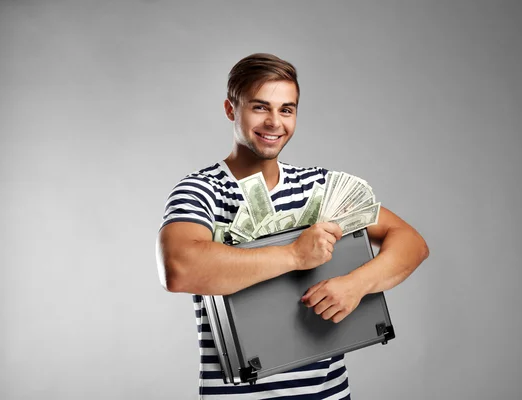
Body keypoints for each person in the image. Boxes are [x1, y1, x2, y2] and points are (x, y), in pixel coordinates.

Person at [156, 53, 429, 399]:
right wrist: (294, 256)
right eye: (260, 107)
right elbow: (178, 269)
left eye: (286, 109)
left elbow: (410, 242)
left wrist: (356, 285)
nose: (274, 122)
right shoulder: (201, 190)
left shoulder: (319, 187)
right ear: (230, 110)